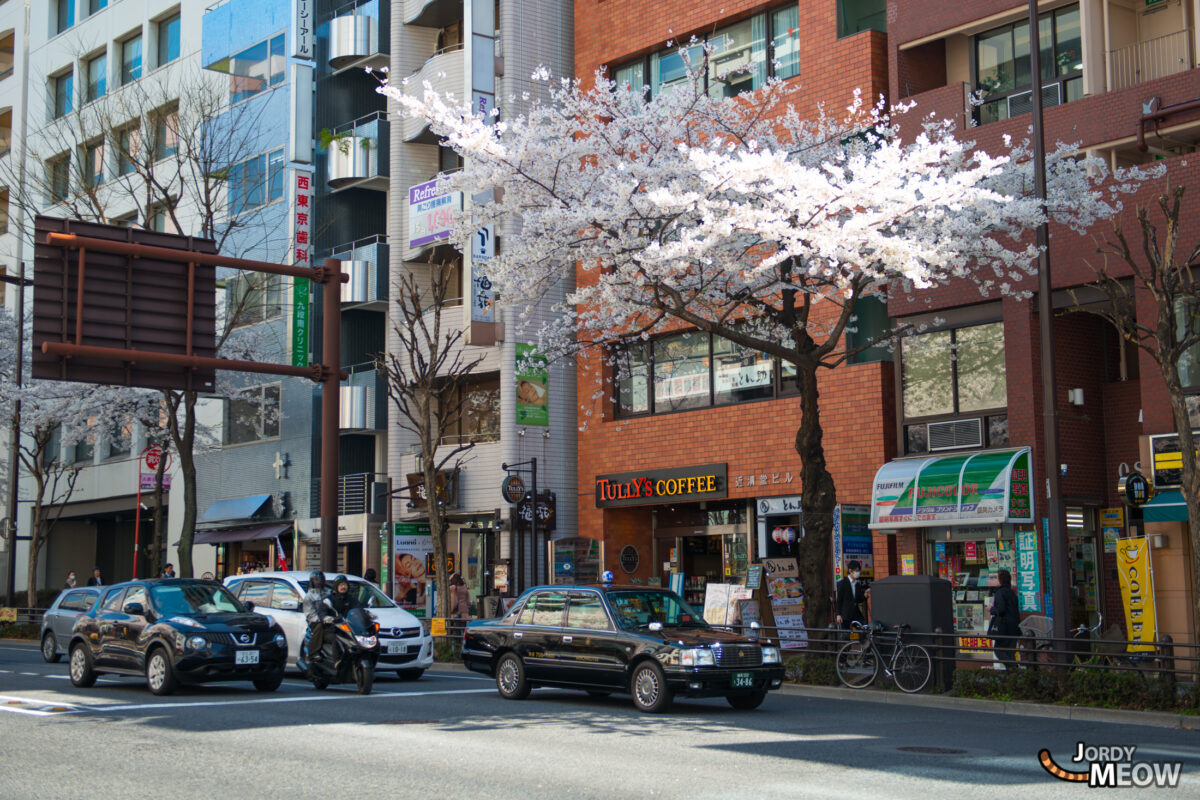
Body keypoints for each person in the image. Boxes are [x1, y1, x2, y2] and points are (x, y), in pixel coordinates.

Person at [990, 568, 1021, 669]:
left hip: (1004, 628)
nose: (994, 580)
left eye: (996, 578)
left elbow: (1001, 610)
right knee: (1010, 653)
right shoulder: (1012, 592)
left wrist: (991, 609)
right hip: (1014, 627)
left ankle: (1014, 668)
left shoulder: (1000, 593)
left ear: (1000, 580)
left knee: (998, 650)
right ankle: (1013, 677)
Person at [302, 572, 332, 664]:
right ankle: (314, 652)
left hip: (331, 619)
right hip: (316, 621)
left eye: (321, 579)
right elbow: (310, 613)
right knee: (319, 627)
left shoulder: (329, 592)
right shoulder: (309, 596)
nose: (319, 581)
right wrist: (321, 619)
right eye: (317, 579)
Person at [835, 561, 867, 631]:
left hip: (856, 614)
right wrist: (838, 614)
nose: (858, 573)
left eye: (859, 571)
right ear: (850, 571)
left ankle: (861, 642)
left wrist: (865, 595)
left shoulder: (857, 584)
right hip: (846, 614)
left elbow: (858, 599)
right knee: (846, 636)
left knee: (862, 632)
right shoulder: (843, 583)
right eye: (856, 571)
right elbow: (839, 600)